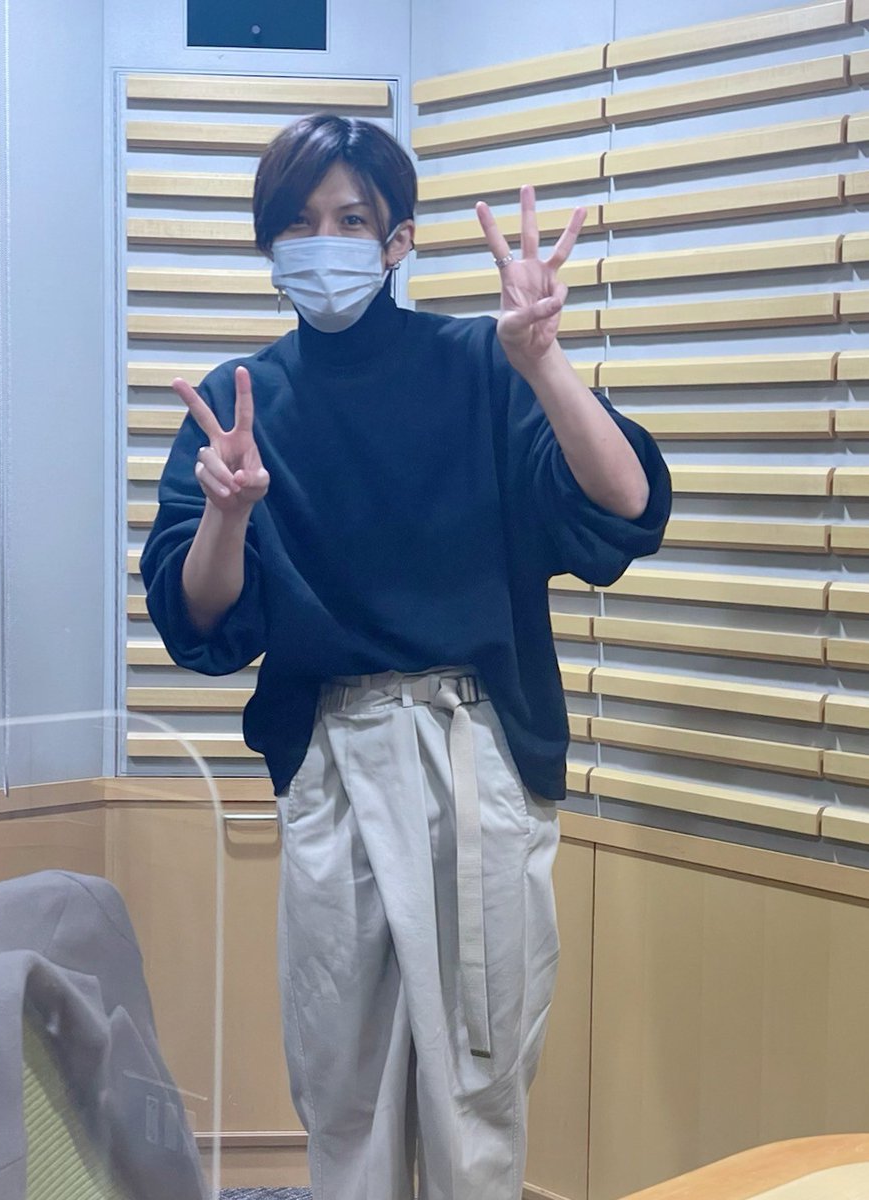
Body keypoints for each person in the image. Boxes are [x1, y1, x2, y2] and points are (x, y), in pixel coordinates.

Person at [141, 114, 671, 1200]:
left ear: (398, 240)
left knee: (478, 1093)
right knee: (343, 1091)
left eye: (351, 220)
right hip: (333, 764)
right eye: (298, 222)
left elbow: (625, 507)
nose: (323, 243)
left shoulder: (481, 362)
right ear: (269, 243)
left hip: (476, 754)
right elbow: (201, 624)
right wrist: (228, 514)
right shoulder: (241, 403)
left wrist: (544, 360)